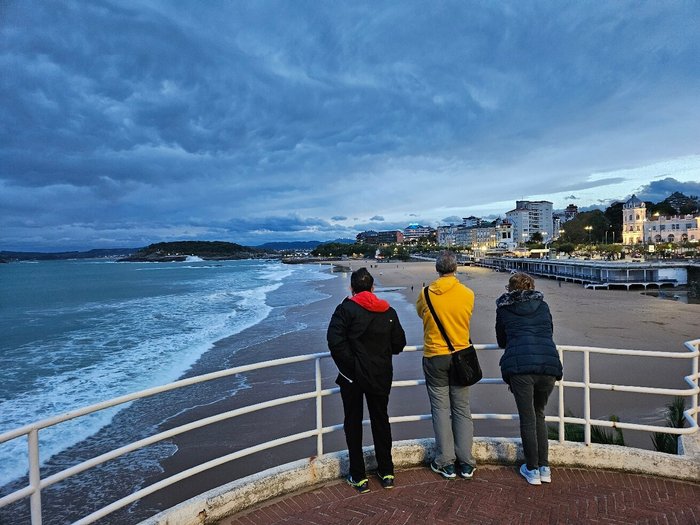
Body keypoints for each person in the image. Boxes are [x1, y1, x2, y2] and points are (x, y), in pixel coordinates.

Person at [327, 267, 407, 493]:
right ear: (373, 288)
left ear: (352, 288)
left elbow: (334, 341)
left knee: (353, 424)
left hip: (352, 378)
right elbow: (399, 343)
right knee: (380, 421)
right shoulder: (388, 311)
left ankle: (359, 476)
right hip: (380, 374)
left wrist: (353, 366)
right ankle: (386, 471)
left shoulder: (345, 310)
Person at [496, 272, 563, 486]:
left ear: (510, 288)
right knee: (539, 414)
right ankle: (544, 467)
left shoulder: (504, 308)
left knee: (528, 418)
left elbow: (501, 340)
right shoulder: (543, 306)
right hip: (548, 364)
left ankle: (532, 469)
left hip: (521, 368)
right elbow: (549, 331)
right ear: (532, 286)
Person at [416, 251, 477, 480]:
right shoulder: (467, 294)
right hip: (461, 355)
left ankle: (445, 461)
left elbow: (421, 314)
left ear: (437, 269)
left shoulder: (425, 294)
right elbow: (467, 316)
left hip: (434, 356)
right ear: (456, 268)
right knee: (462, 408)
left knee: (441, 410)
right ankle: (466, 462)